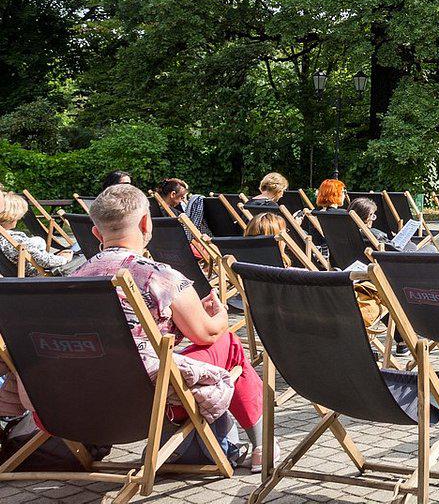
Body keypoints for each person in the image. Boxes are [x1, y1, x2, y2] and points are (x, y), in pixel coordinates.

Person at [75, 184, 266, 469]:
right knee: (226, 341)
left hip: (82, 395)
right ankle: (262, 445)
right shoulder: (158, 276)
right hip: (152, 396)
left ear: (96, 232)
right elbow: (206, 333)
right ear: (145, 223)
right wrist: (221, 316)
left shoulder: (74, 276)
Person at [0, 192, 84, 275]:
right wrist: (64, 258)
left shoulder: (4, 237)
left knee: (77, 248)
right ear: (13, 216)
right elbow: (45, 261)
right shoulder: (15, 238)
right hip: (37, 273)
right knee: (82, 254)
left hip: (19, 272)